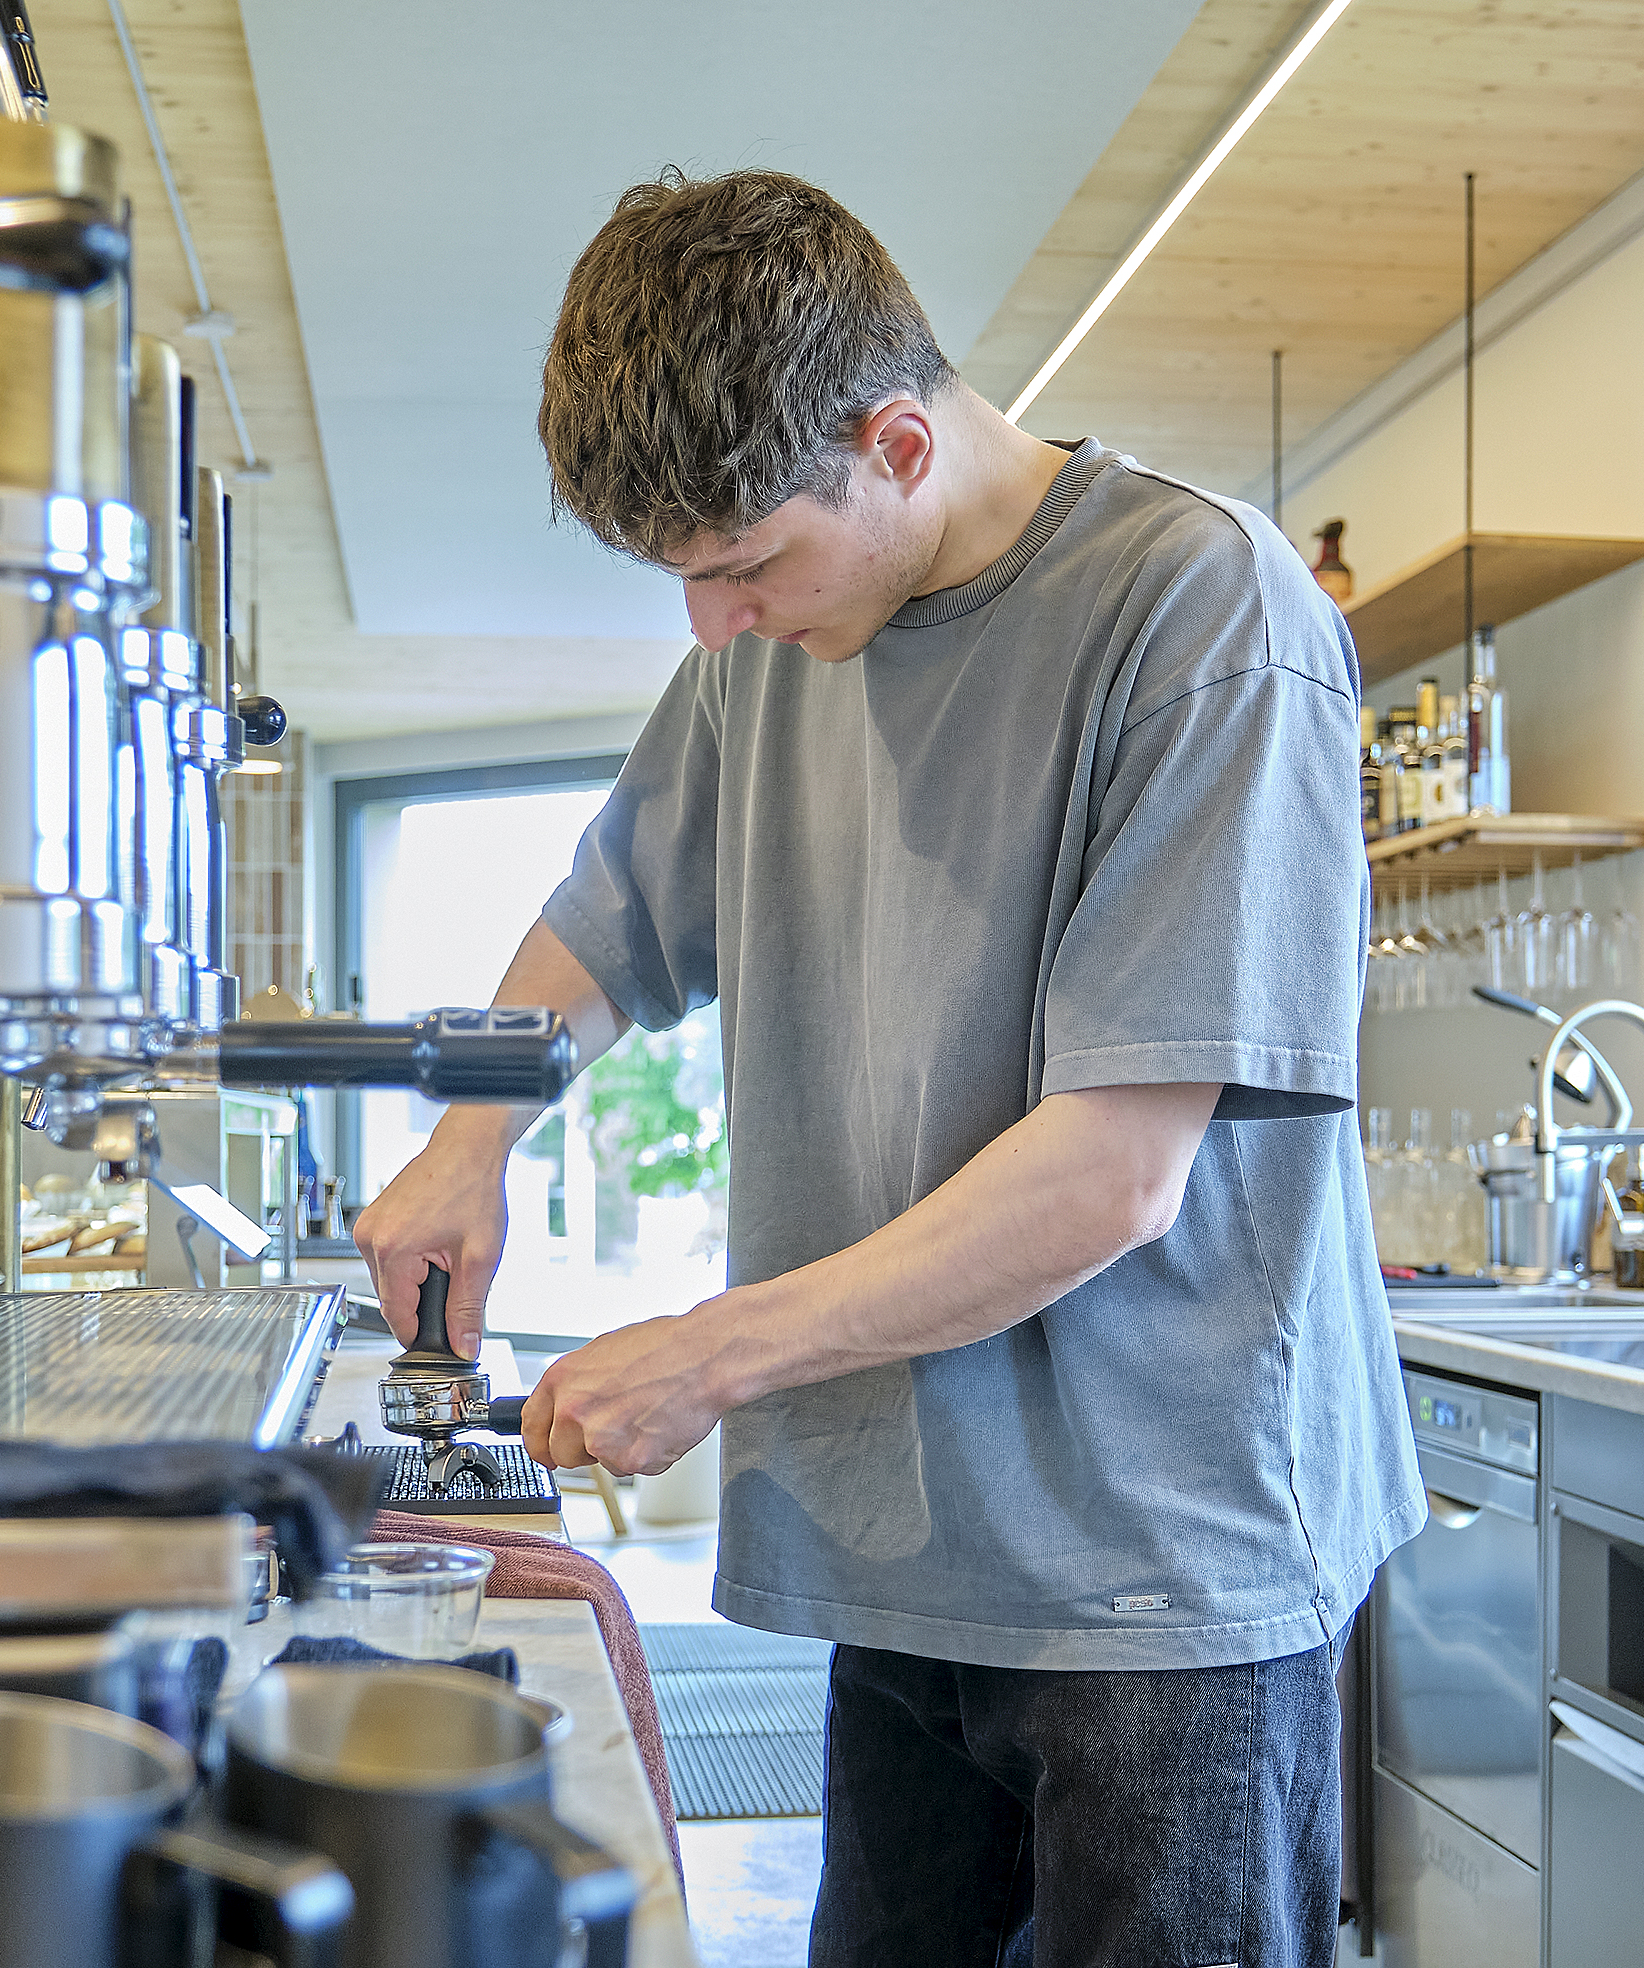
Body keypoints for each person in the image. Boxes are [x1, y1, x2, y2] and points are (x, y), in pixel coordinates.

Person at [354, 169, 1419, 1967]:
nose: (711, 628)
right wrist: (470, 1139)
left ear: (901, 442)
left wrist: (710, 1350)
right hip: (909, 1546)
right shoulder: (768, 653)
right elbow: (606, 923)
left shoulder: (1202, 616)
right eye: (682, 581)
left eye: (743, 564)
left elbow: (1111, 1168)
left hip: (1159, 1581)